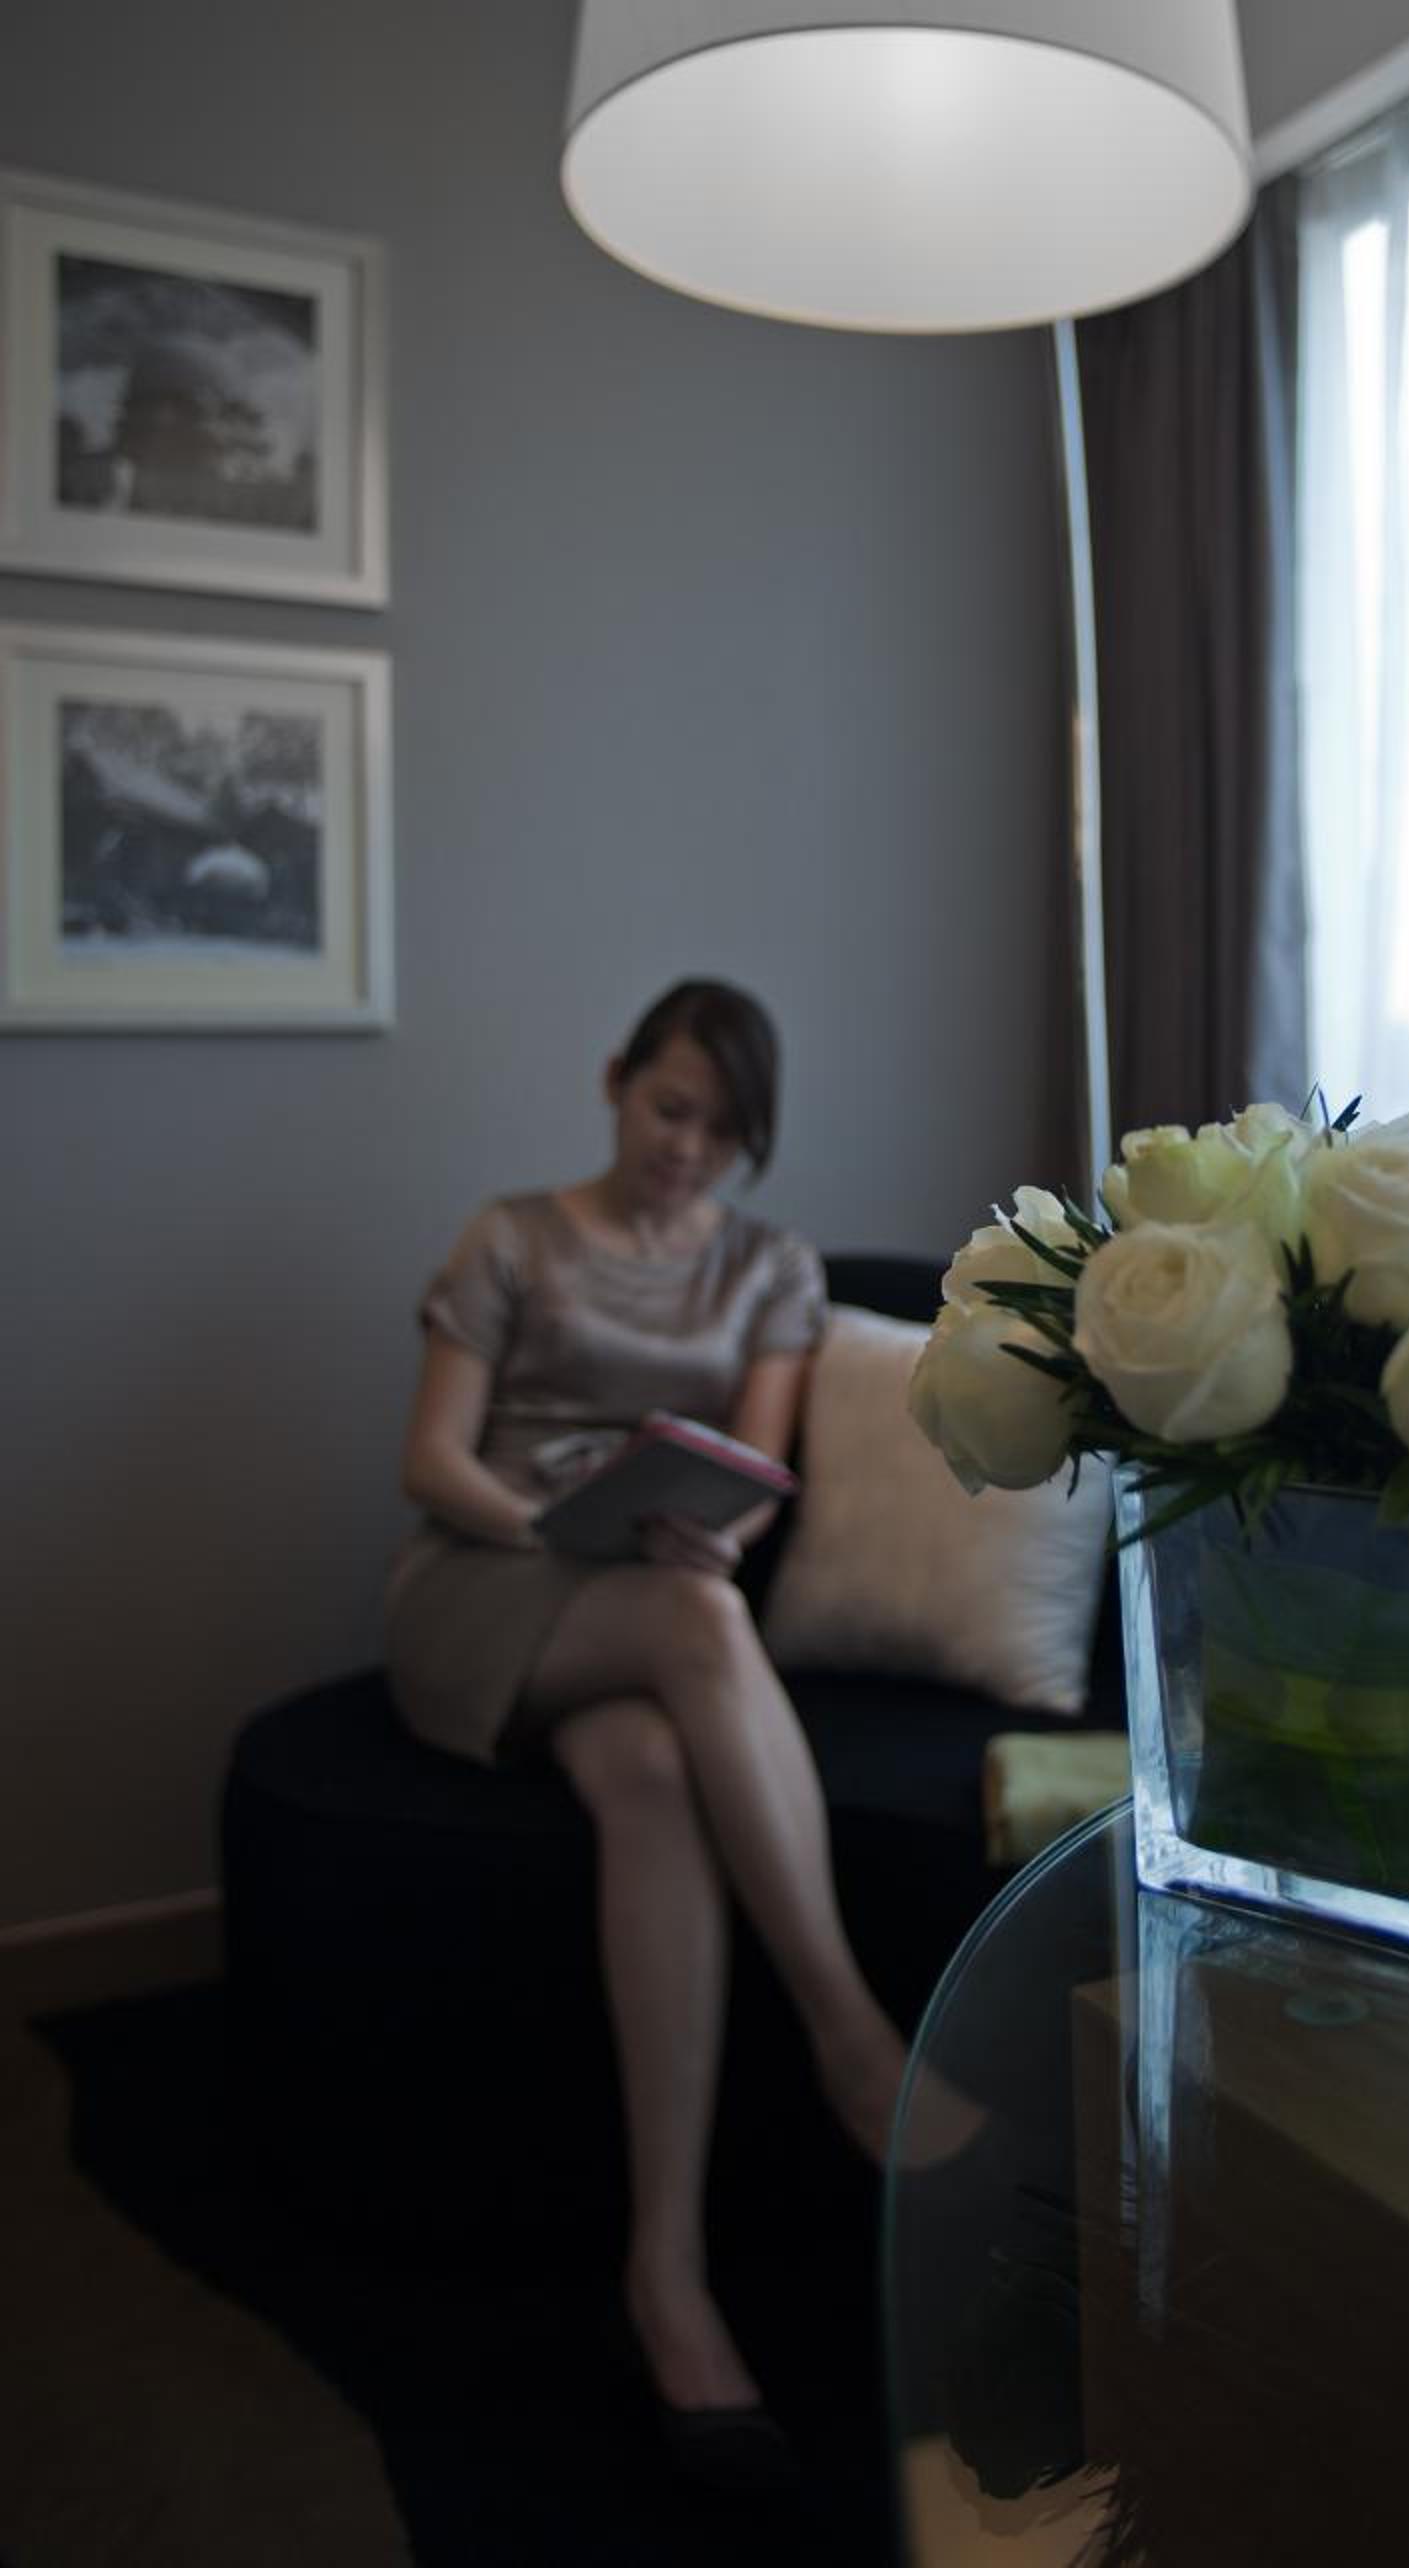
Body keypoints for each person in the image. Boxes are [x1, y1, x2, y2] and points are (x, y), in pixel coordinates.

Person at [386, 977, 914, 2486]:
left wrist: (696, 1531)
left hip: (648, 1598)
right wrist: (551, 1525)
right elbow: (431, 1459)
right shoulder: (510, 1236)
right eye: (670, 1108)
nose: (689, 1146)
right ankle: (851, 2034)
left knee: (653, 1766)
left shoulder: (770, 1269)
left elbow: (748, 1480)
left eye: (724, 1130)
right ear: (615, 1079)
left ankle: (665, 2280)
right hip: (483, 1584)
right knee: (697, 1628)